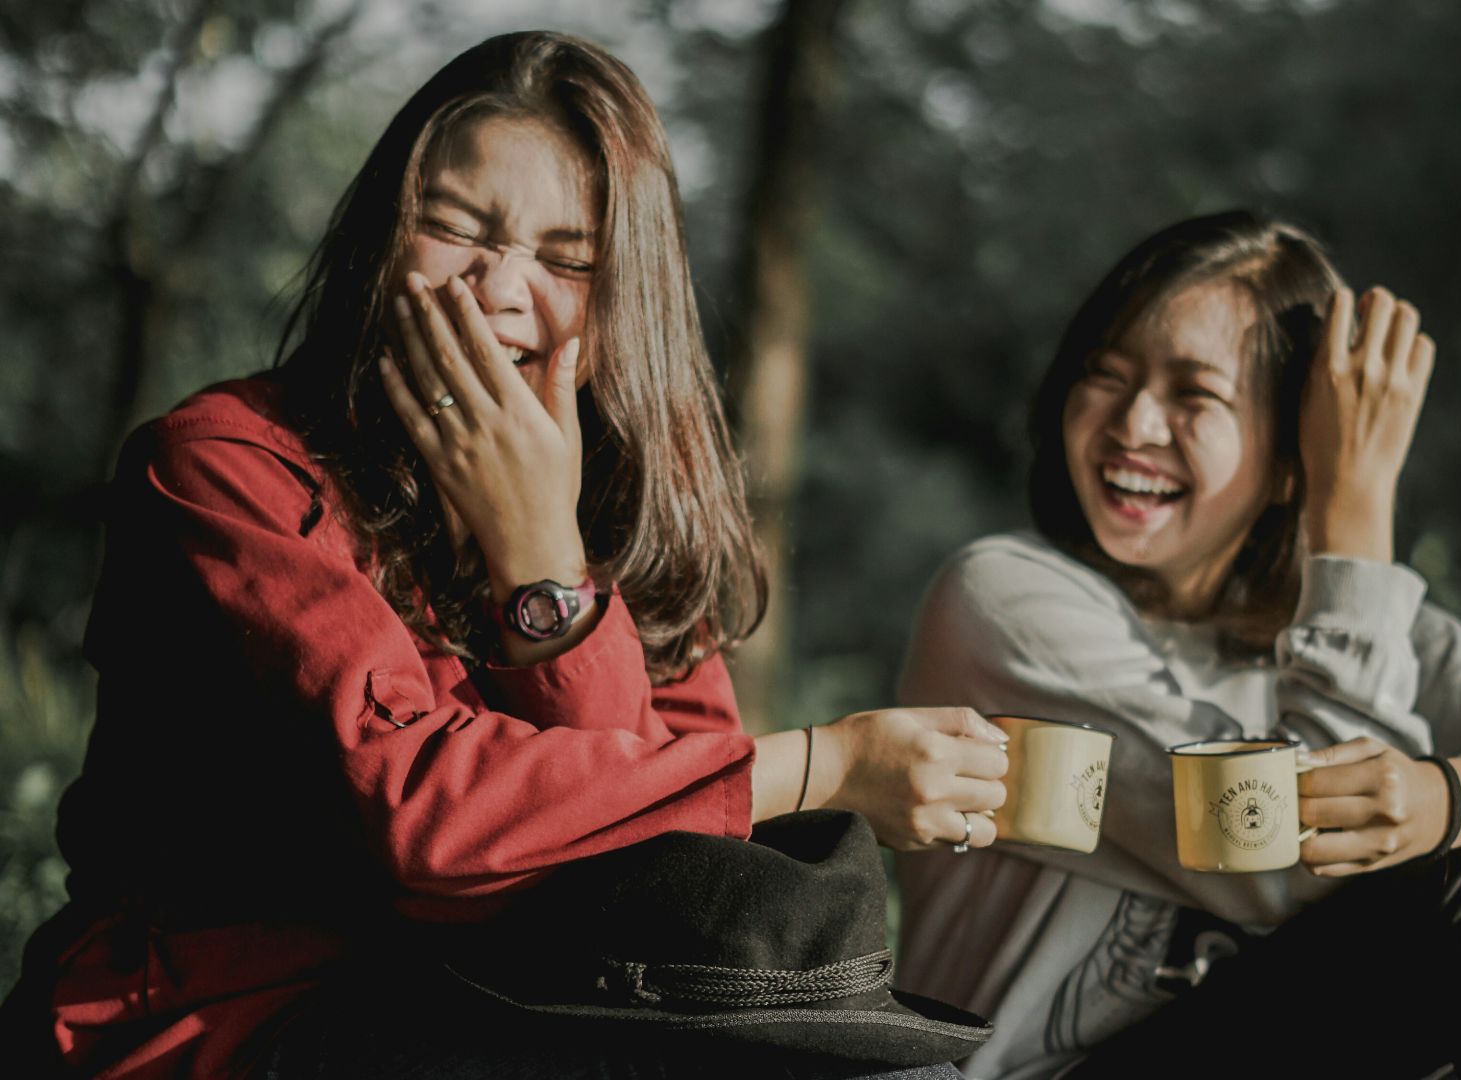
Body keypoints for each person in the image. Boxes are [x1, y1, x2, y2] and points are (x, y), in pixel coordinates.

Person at [0, 31, 1005, 1080]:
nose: (498, 287)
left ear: (625, 301)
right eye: (451, 226)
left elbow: (670, 858)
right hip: (229, 1021)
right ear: (380, 240)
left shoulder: (627, 509)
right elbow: (423, 822)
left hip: (516, 995)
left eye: (566, 257)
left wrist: (544, 557)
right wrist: (826, 764)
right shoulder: (225, 467)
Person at [894, 211, 1461, 1079]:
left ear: (1293, 453)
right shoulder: (1003, 601)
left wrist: (1458, 794)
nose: (1134, 423)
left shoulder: (1345, 629)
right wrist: (1353, 508)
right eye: (1105, 375)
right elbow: (1285, 857)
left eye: (1193, 395)